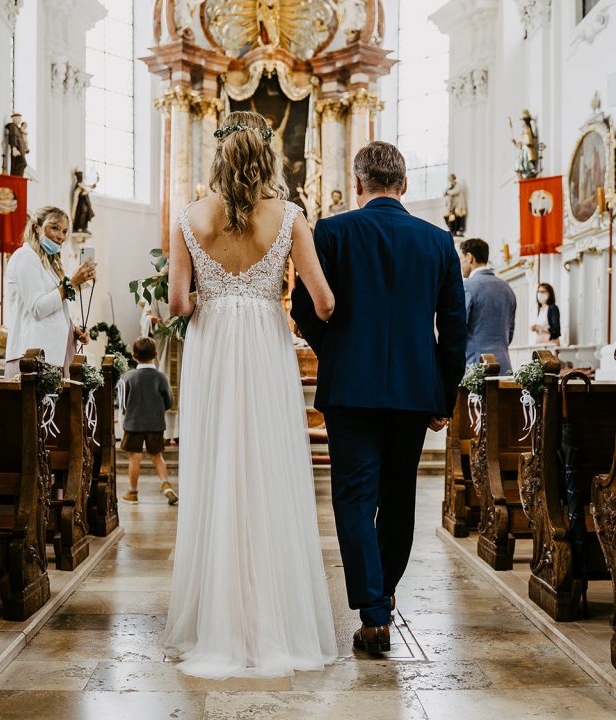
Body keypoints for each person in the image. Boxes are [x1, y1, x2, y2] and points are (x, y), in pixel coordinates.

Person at [164, 110, 337, 679]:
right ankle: (273, 621)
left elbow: (178, 305)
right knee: (266, 471)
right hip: (264, 346)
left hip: (214, 349)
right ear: (268, 158)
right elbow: (324, 301)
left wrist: (215, 299)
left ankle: (215, 621)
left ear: (219, 157)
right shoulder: (290, 217)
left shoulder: (189, 218)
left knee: (218, 471)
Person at [292, 141, 466, 656]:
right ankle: (383, 595)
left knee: (352, 496)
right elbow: (454, 328)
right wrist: (443, 395)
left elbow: (304, 307)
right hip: (415, 391)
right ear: (405, 185)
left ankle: (372, 612)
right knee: (398, 496)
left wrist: (337, 352)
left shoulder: (333, 231)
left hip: (350, 390)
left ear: (360, 184)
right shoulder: (438, 242)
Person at [4, 206, 95, 377]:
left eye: (64, 231)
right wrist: (72, 282)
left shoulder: (49, 265)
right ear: (36, 227)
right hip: (32, 356)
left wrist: (72, 328)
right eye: (54, 228)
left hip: (54, 353)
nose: (61, 236)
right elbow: (38, 308)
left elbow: (54, 306)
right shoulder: (26, 256)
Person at [120, 337, 177, 505]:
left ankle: (132, 492)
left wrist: (128, 411)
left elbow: (121, 402)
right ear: (156, 354)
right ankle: (166, 484)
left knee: (134, 457)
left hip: (134, 424)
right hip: (155, 423)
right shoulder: (160, 377)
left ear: (133, 355)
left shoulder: (128, 376)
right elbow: (169, 401)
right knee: (157, 456)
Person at [460, 237, 516, 375]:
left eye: (461, 259)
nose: (460, 264)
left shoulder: (467, 287)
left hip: (475, 367)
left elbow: (458, 329)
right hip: (504, 366)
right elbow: (510, 332)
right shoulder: (507, 288)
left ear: (469, 257)